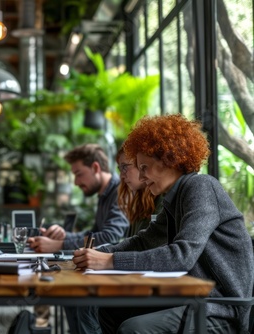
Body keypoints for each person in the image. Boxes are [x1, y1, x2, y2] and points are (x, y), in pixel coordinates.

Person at [73, 114, 254, 333]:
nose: (141, 176)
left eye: (144, 167)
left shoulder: (201, 188)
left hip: (219, 309)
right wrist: (95, 253)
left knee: (134, 328)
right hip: (190, 299)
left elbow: (182, 256)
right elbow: (143, 241)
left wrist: (110, 260)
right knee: (108, 310)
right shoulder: (175, 198)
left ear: (169, 159)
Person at [68, 144, 163, 334]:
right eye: (120, 169)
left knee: (85, 303)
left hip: (158, 288)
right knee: (79, 300)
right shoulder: (139, 203)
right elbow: (134, 244)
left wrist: (106, 257)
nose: (121, 175)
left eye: (126, 167)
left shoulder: (163, 200)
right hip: (141, 281)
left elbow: (116, 238)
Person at [28, 143, 129, 253]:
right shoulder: (105, 193)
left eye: (79, 174)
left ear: (95, 168)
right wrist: (64, 236)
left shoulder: (120, 191)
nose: (76, 182)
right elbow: (94, 233)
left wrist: (59, 245)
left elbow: (110, 237)